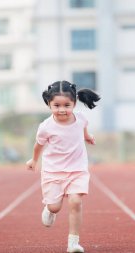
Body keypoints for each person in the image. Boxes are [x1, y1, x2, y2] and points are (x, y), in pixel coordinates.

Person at [26, 80, 100, 253]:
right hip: (53, 171)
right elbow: (38, 146)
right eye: (56, 105)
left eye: (67, 105)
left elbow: (83, 128)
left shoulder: (80, 118)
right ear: (49, 104)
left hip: (77, 169)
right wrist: (34, 160)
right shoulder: (45, 127)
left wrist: (87, 137)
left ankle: (73, 243)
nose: (62, 109)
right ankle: (49, 209)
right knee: (55, 207)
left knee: (75, 201)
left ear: (74, 103)